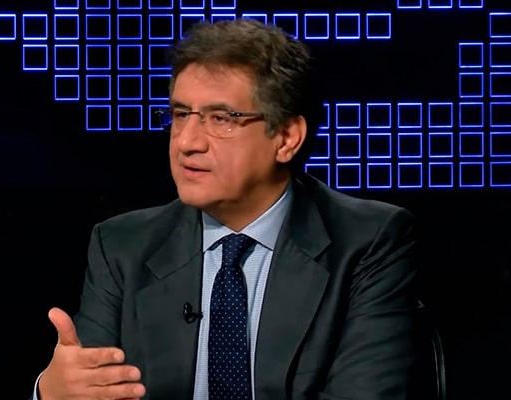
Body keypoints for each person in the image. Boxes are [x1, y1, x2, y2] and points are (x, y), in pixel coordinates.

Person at [33, 18, 420, 400]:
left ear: (286, 138)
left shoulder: (367, 242)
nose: (187, 142)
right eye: (180, 115)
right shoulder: (122, 246)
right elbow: (90, 388)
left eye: (220, 119)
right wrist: (52, 393)